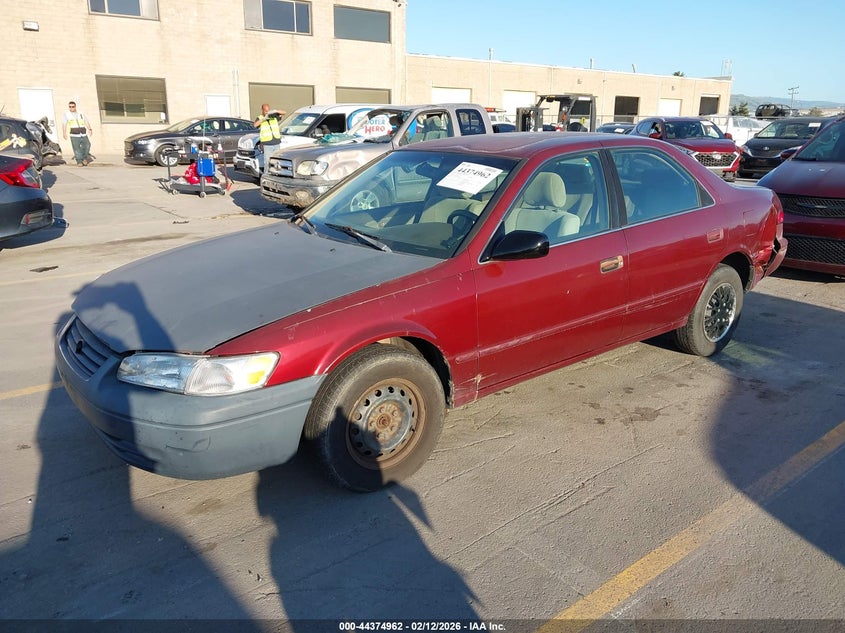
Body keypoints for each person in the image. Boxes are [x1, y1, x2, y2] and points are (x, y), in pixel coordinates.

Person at [253, 103, 285, 174]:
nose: (267, 112)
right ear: (262, 110)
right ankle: (266, 176)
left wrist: (275, 111)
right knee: (267, 162)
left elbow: (284, 113)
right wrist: (264, 119)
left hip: (276, 142)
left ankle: (276, 176)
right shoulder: (260, 117)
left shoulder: (273, 116)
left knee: (277, 162)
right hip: (267, 143)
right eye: (265, 111)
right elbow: (255, 125)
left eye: (268, 110)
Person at [63, 101, 94, 166]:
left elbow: (86, 121)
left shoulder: (81, 114)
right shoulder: (67, 115)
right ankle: (79, 161)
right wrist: (64, 133)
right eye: (70, 107)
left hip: (83, 133)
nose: (71, 108)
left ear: (75, 107)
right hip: (74, 134)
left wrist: (90, 129)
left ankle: (84, 158)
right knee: (76, 148)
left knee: (87, 145)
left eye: (73, 106)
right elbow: (64, 124)